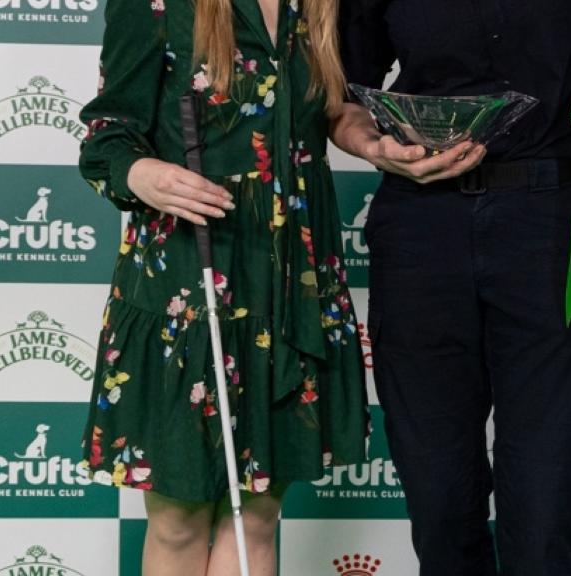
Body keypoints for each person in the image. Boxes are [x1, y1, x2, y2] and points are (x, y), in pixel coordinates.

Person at [331, 2, 571, 575]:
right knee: (438, 496)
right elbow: (346, 99)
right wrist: (373, 147)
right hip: (420, 227)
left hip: (550, 223)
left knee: (542, 502)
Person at [78, 0, 367, 574]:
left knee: (256, 518)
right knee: (179, 521)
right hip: (189, 286)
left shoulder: (323, 9)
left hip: (291, 292)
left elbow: (338, 114)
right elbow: (106, 135)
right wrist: (144, 174)